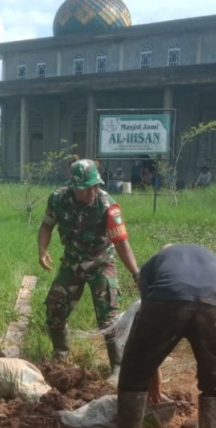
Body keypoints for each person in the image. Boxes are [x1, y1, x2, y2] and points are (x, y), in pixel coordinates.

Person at [98, 244, 216, 428]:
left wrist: (151, 370)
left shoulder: (153, 264)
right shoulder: (209, 256)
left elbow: (147, 311)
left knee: (135, 367)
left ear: (162, 253)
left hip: (168, 300)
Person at [38, 158, 140, 383]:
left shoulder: (107, 205)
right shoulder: (58, 199)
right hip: (72, 263)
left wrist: (136, 273)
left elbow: (122, 242)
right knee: (55, 307)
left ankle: (118, 368)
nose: (93, 191)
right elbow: (46, 226)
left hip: (101, 263)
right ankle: (60, 357)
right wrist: (42, 250)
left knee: (108, 317)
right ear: (74, 187)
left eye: (96, 185)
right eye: (87, 188)